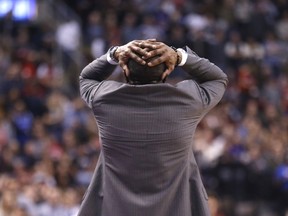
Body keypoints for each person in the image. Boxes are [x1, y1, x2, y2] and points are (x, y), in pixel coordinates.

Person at [77, 39, 228, 216]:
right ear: (167, 71)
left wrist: (115, 54)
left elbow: (86, 77)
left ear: (125, 70)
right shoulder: (188, 100)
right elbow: (218, 78)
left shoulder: (104, 98)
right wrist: (179, 56)